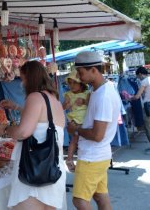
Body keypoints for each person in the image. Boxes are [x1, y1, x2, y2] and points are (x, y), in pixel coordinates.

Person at [0, 60, 66, 210]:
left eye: (22, 79)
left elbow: (23, 132)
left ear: (30, 78)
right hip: (53, 170)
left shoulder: (35, 97)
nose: (21, 84)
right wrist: (16, 107)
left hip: (34, 172)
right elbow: (41, 120)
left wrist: (5, 129)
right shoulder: (54, 100)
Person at [67, 51, 121, 210]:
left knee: (79, 200)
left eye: (81, 72)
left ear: (94, 70)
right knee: (100, 196)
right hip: (99, 155)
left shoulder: (103, 95)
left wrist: (76, 129)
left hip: (92, 156)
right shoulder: (99, 91)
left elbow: (97, 135)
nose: (78, 76)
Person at [63, 70, 90, 172]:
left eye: (75, 82)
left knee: (83, 141)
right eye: (70, 83)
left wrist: (83, 101)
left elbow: (90, 104)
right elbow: (62, 107)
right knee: (75, 139)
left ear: (81, 84)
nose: (72, 85)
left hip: (85, 120)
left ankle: (82, 160)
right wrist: (66, 105)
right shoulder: (68, 94)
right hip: (74, 120)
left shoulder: (87, 93)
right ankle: (69, 159)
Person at [131, 66, 150, 142]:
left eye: (138, 76)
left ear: (140, 74)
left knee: (148, 126)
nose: (138, 78)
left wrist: (130, 97)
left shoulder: (144, 82)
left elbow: (137, 96)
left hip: (148, 106)